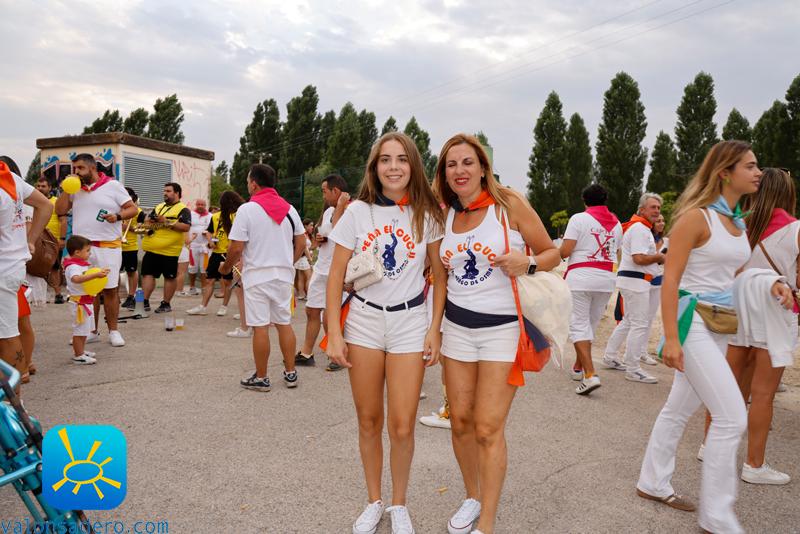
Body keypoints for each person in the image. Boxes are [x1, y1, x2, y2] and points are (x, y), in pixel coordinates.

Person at [636, 141, 790, 534]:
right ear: (725, 171)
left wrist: (769, 281)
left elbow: (733, 276)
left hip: (722, 325)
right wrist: (671, 338)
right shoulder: (695, 218)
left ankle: (652, 482)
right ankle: (718, 516)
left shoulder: (737, 222)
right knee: (731, 416)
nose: (758, 173)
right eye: (751, 166)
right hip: (694, 325)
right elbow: (670, 281)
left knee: (678, 407)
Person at [432, 134, 560, 534]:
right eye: (451, 165)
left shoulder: (510, 205)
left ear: (483, 167)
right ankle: (473, 496)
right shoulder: (443, 216)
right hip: (455, 330)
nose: (459, 171)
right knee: (460, 423)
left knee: (488, 427)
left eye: (467, 162)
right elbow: (439, 277)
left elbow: (554, 253)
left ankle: (486, 523)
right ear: (444, 173)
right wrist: (434, 331)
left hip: (502, 331)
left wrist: (529, 263)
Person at [325, 132, 447, 534]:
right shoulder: (358, 212)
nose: (393, 166)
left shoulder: (426, 214)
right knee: (369, 420)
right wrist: (334, 332)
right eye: (385, 160)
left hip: (410, 323)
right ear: (374, 167)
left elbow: (440, 278)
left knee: (403, 424)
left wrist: (434, 329)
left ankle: (399, 505)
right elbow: (335, 276)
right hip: (363, 322)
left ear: (413, 165)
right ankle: (374, 500)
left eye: (401, 159)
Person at [723, 167, 797, 484]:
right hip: (775, 312)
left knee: (732, 387)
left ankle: (712, 448)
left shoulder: (740, 225)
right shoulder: (794, 229)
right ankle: (754, 464)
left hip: (739, 308)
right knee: (763, 394)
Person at [219, 164, 304, 391]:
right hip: (284, 276)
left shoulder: (247, 210)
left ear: (254, 183)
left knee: (260, 327)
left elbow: (236, 248)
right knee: (284, 324)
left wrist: (226, 268)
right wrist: (289, 262)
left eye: (248, 182)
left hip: (257, 276)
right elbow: (302, 241)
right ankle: (291, 373)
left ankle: (262, 378)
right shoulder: (290, 209)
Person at [55, 153, 137, 347]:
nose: (76, 173)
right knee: (85, 292)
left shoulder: (113, 186)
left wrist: (117, 216)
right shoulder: (75, 188)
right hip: (81, 249)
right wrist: (67, 190)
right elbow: (59, 210)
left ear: (92, 168)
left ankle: (114, 331)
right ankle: (91, 331)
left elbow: (132, 209)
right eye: (74, 169)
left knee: (109, 290)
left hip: (108, 247)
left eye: (80, 168)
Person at [560, 183, 622, 395]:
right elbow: (616, 251)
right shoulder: (617, 225)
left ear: (585, 201)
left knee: (578, 325)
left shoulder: (578, 219)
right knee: (590, 325)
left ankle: (590, 375)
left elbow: (566, 250)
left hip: (580, 277)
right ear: (605, 200)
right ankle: (578, 367)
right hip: (606, 279)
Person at [601, 192, 665, 384]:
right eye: (653, 207)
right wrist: (660, 257)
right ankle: (633, 368)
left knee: (629, 321)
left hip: (632, 280)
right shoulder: (640, 229)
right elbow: (638, 258)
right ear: (642, 209)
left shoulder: (639, 227)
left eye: (659, 208)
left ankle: (610, 356)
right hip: (636, 281)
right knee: (639, 323)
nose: (657, 211)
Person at [0, 159, 52, 380]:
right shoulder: (10, 177)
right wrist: (29, 241)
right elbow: (46, 205)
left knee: (8, 334)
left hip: (2, 269)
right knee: (11, 330)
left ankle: (15, 402)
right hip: (12, 267)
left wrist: (29, 240)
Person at [295, 174, 350, 369]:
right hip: (322, 266)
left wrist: (342, 206)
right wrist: (320, 237)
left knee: (331, 313)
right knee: (312, 309)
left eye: (324, 191)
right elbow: (326, 234)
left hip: (337, 269)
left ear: (336, 191)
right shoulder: (329, 211)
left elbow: (337, 229)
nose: (323, 195)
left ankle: (336, 354)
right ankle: (306, 353)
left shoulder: (351, 208)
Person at [187, 191, 243, 316]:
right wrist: (210, 240)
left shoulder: (237, 215)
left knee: (228, 282)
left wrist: (233, 245)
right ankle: (203, 306)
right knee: (209, 280)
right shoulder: (215, 216)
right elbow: (209, 231)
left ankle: (224, 307)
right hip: (216, 252)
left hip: (229, 253)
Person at [140, 183, 191, 313]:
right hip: (152, 248)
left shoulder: (183, 209)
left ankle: (165, 303)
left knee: (169, 277)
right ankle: (144, 302)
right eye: (164, 191)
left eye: (168, 191)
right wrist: (149, 222)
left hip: (170, 251)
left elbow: (186, 227)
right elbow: (147, 221)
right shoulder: (159, 206)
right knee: (147, 274)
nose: (165, 193)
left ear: (177, 193)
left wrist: (166, 222)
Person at [64, 235, 109, 365]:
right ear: (77, 252)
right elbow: (76, 279)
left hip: (86, 301)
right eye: (88, 251)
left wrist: (99, 273)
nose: (90, 253)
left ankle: (81, 351)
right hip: (79, 303)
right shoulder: (73, 266)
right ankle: (78, 355)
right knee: (80, 330)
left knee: (85, 330)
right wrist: (95, 274)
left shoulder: (79, 264)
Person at [35, 176, 68, 303]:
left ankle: (58, 294)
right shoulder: (32, 201)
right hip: (36, 240)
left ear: (49, 188)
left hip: (52, 241)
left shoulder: (56, 202)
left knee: (55, 268)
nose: (40, 188)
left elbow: (63, 221)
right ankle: (37, 296)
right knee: (35, 267)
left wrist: (62, 239)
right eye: (38, 186)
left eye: (43, 186)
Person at [120, 187, 145, 310]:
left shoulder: (139, 212)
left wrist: (128, 227)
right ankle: (113, 295)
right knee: (113, 273)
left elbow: (142, 230)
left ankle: (131, 296)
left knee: (131, 271)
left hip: (130, 247)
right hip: (115, 246)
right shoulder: (117, 210)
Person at [186, 198, 212, 296]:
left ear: (205, 206)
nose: (200, 206)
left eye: (202, 205)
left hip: (205, 246)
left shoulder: (210, 216)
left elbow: (212, 229)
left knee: (204, 268)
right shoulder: (191, 214)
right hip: (193, 245)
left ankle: (204, 288)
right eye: (199, 204)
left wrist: (208, 235)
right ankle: (192, 287)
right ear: (196, 205)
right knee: (192, 267)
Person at [293, 218, 314, 300]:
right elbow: (304, 248)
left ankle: (301, 294)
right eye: (311, 225)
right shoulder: (304, 235)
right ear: (305, 226)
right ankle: (309, 295)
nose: (312, 227)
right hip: (304, 258)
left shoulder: (305, 235)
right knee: (310, 277)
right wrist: (310, 259)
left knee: (301, 278)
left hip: (301, 259)